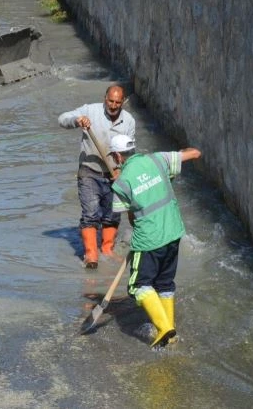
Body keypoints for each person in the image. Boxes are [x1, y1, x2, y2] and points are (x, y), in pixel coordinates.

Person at [108, 134, 201, 348]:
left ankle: (164, 328)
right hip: (174, 231)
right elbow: (194, 153)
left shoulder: (121, 184)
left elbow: (130, 218)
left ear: (116, 156)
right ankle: (171, 333)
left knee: (138, 286)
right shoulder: (158, 159)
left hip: (149, 240)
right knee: (164, 284)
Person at [58, 85, 135, 269]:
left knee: (112, 215)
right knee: (91, 213)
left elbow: (130, 150)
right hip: (89, 171)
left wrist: (122, 171)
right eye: (110, 101)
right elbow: (61, 119)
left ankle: (107, 249)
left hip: (114, 174)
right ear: (104, 98)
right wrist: (77, 120)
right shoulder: (90, 111)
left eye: (118, 102)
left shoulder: (129, 121)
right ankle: (91, 254)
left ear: (123, 102)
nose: (114, 105)